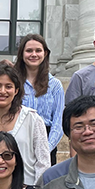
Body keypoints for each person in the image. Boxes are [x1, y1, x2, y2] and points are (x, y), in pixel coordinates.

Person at [0, 64, 50, 185]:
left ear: (16, 90)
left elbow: (43, 162)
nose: (2, 91)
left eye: (8, 86)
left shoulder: (32, 119)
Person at [15, 34, 64, 166]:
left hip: (46, 141)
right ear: (22, 53)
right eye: (29, 50)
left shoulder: (55, 85)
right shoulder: (12, 82)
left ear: (45, 53)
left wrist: (45, 149)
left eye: (38, 50)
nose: (34, 54)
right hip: (17, 141)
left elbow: (58, 123)